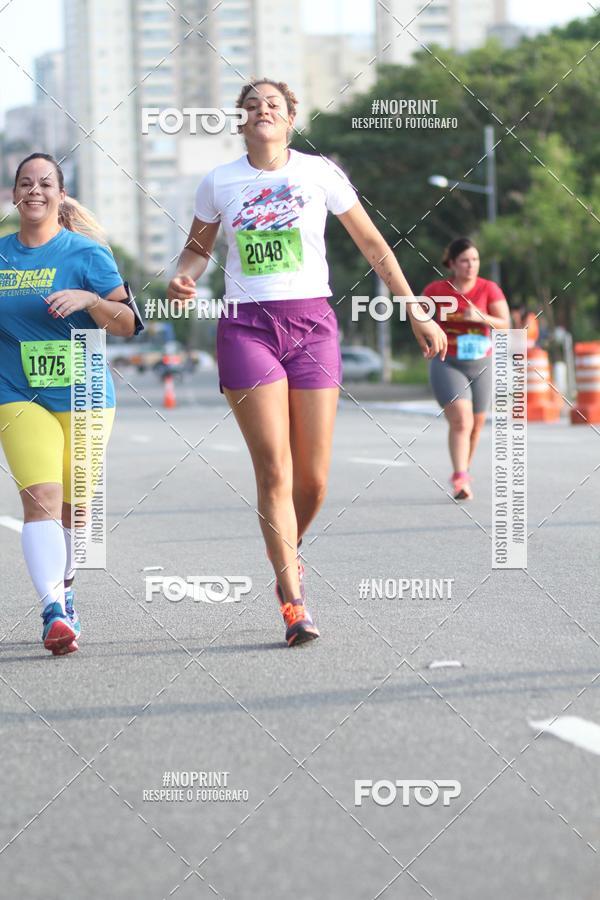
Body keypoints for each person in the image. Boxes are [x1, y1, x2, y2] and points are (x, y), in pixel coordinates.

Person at [168, 79, 446, 646]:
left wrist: (415, 309)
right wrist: (185, 277)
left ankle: (288, 554)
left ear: (291, 118)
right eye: (252, 106)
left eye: (274, 105)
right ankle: (293, 600)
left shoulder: (320, 173)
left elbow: (373, 245)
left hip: (312, 325)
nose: (263, 111)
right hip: (247, 326)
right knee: (274, 469)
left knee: (314, 481)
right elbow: (198, 249)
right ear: (240, 121)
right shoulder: (218, 182)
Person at [0, 153, 141, 655]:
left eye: (45, 183)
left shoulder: (86, 255)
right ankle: (53, 610)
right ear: (15, 194)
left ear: (60, 195)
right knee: (39, 497)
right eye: (24, 183)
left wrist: (90, 301)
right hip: (16, 393)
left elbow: (125, 323)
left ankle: (67, 586)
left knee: (75, 510)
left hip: (84, 394)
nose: (34, 190)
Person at [423, 237, 510, 501]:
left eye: (475, 260)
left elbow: (506, 324)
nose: (471, 265)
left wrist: (481, 316)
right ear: (452, 263)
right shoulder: (436, 290)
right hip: (447, 360)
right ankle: (460, 477)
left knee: (476, 424)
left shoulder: (489, 289)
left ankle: (463, 472)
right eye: (464, 261)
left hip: (481, 362)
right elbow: (420, 320)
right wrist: (426, 340)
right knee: (462, 419)